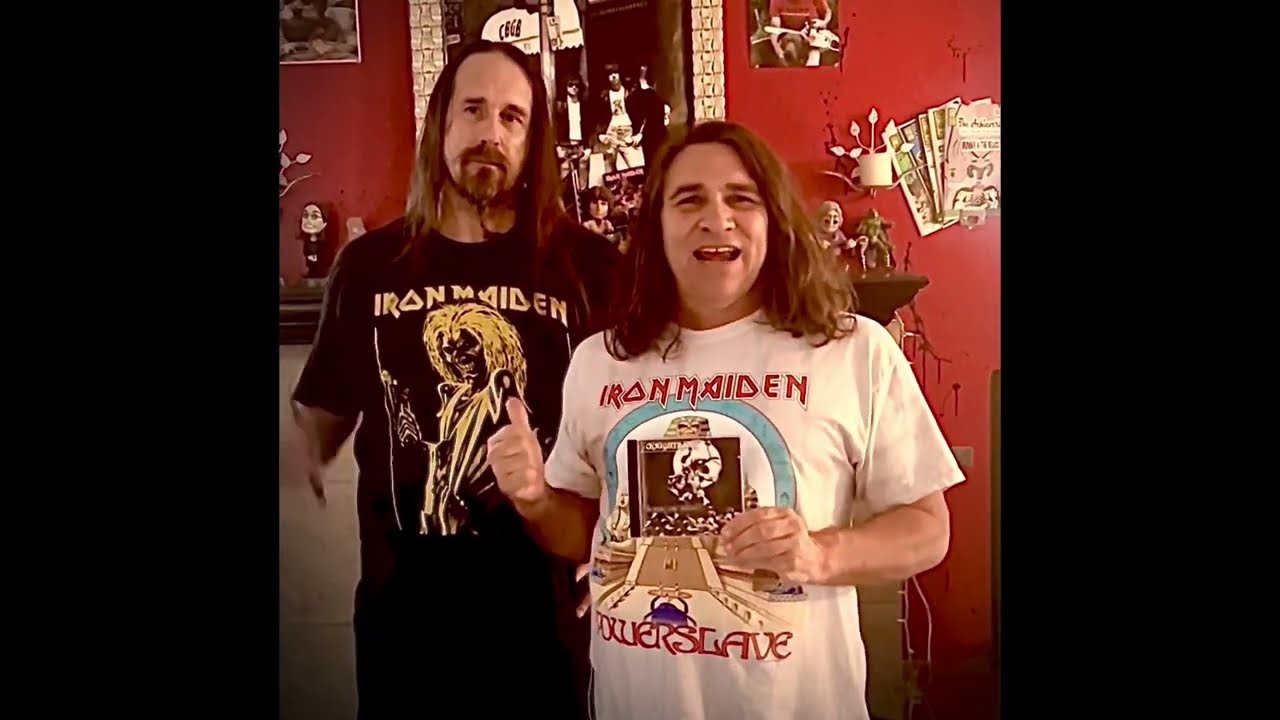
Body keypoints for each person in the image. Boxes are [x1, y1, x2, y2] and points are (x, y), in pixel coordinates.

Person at [484, 121, 964, 719]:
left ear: (774, 220)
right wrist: (534, 500)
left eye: (742, 198)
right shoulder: (598, 362)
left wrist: (819, 555)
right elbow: (589, 532)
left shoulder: (854, 350)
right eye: (689, 200)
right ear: (657, 227)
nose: (717, 219)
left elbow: (928, 529)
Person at [290, 39, 616, 719]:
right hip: (405, 627)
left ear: (532, 140)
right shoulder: (369, 267)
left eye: (512, 116)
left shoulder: (588, 267)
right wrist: (295, 455)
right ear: (440, 123)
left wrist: (624, 548)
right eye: (474, 109)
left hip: (545, 626)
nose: (491, 132)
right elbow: (318, 421)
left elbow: (635, 427)